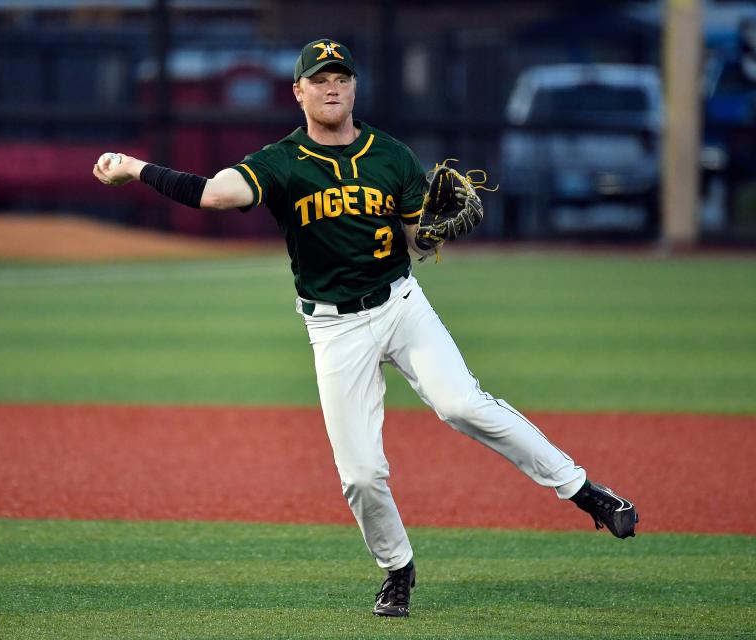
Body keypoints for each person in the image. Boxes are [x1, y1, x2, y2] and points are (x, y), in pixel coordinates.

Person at [93, 38, 638, 618]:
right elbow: (213, 194)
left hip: (400, 304)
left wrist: (432, 232)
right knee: (360, 474)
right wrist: (136, 168)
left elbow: (415, 238)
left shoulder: (392, 156)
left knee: (463, 405)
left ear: (354, 87)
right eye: (320, 78)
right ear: (298, 91)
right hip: (335, 328)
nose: (332, 87)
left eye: (342, 77)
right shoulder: (280, 162)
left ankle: (584, 491)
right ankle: (397, 568)